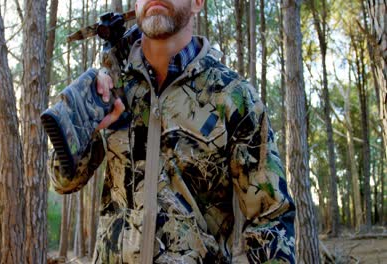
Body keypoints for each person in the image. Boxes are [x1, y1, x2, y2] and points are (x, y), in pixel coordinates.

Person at [47, 0, 296, 262]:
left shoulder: (233, 97)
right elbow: (63, 182)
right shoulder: (112, 85)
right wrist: (88, 121)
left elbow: (271, 218)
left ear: (198, 3)